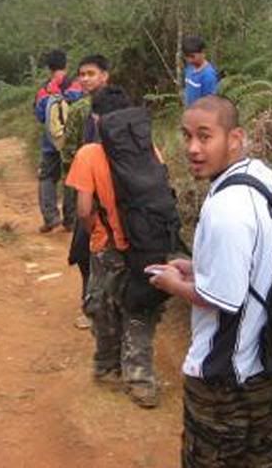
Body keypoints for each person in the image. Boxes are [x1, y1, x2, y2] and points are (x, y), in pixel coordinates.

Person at [149, 95, 272, 467]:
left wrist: (171, 282)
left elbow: (223, 298)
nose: (193, 148)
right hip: (268, 365)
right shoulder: (263, 178)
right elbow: (254, 260)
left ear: (235, 137)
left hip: (222, 380)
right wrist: (198, 267)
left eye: (205, 136)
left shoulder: (226, 207)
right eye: (186, 136)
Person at [65, 85, 162, 409]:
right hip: (145, 244)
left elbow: (82, 208)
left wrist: (98, 229)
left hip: (106, 246)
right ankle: (141, 381)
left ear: (96, 118)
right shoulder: (149, 149)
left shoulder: (89, 154)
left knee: (104, 305)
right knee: (140, 308)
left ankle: (108, 367)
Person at [60, 54, 111, 330]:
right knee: (84, 251)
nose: (85, 78)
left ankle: (106, 308)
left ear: (105, 75)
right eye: (82, 74)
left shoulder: (118, 105)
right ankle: (91, 304)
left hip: (112, 192)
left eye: (91, 73)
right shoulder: (80, 110)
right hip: (87, 189)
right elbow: (69, 149)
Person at [34, 49, 83, 233]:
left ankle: (51, 218)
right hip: (71, 142)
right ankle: (70, 220)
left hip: (50, 142)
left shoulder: (44, 89)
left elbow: (40, 115)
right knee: (71, 178)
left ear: (49, 68)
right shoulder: (76, 86)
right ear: (66, 64)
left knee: (47, 177)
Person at [182, 35, 219, 106]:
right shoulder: (189, 68)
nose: (189, 60)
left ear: (203, 53)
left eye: (192, 56)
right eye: (187, 56)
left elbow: (210, 102)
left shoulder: (208, 76)